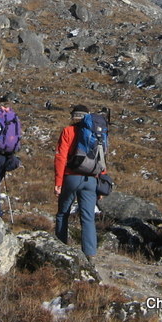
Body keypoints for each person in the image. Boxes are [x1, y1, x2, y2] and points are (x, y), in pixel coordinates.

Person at [54, 104, 102, 260]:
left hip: (71, 178)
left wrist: (58, 182)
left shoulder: (68, 131)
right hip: (91, 178)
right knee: (88, 217)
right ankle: (90, 254)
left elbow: (61, 157)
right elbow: (101, 159)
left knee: (63, 213)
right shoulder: (96, 133)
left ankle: (60, 248)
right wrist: (100, 182)